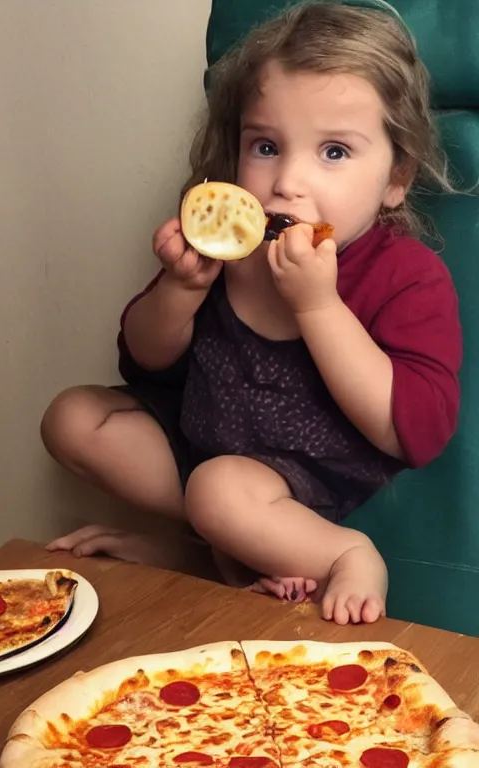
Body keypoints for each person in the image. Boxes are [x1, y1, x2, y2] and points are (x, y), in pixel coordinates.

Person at [42, 1, 462, 625]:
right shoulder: (226, 243)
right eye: (265, 146)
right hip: (202, 435)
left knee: (220, 490)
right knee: (72, 419)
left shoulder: (406, 273)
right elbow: (142, 359)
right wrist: (181, 289)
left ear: (396, 177)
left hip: (306, 470)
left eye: (335, 152)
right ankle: (212, 545)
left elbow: (414, 431)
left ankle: (344, 552)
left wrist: (318, 304)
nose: (287, 181)